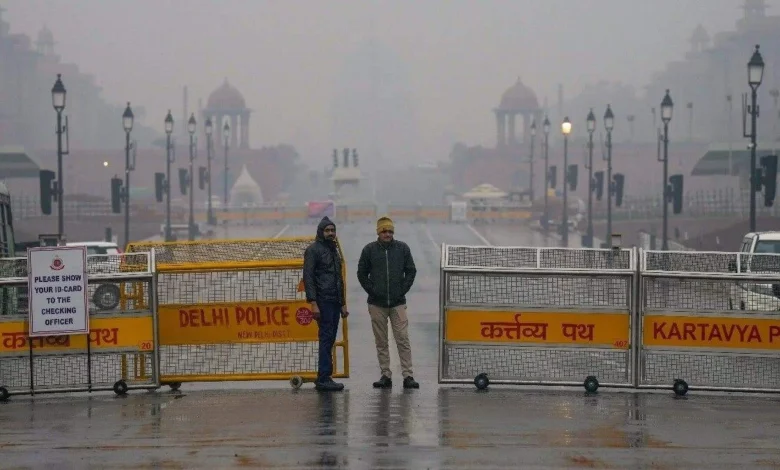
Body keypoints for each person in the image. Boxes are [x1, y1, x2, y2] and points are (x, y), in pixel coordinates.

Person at [357, 216, 419, 389]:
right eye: (384, 231)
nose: (387, 234)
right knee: (381, 341)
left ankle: (408, 375)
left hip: (398, 303)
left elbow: (411, 271)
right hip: (377, 304)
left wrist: (402, 290)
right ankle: (386, 374)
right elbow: (361, 273)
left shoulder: (402, 249)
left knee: (402, 338)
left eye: (390, 231)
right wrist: (373, 290)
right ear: (378, 232)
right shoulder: (369, 250)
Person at [303, 216, 348, 392]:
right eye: (327, 230)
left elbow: (339, 279)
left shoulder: (333, 250)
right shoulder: (313, 250)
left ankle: (325, 376)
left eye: (333, 230)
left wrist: (342, 303)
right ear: (321, 232)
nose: (330, 233)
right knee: (326, 338)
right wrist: (313, 303)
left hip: (334, 301)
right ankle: (323, 377)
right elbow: (308, 278)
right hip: (323, 301)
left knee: (329, 339)